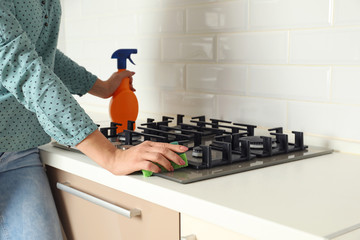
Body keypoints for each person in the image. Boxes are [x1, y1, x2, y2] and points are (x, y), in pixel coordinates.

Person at [0, 1, 188, 239]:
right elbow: (26, 72)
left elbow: (41, 52)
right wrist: (111, 156)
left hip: (18, 149)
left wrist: (102, 87)